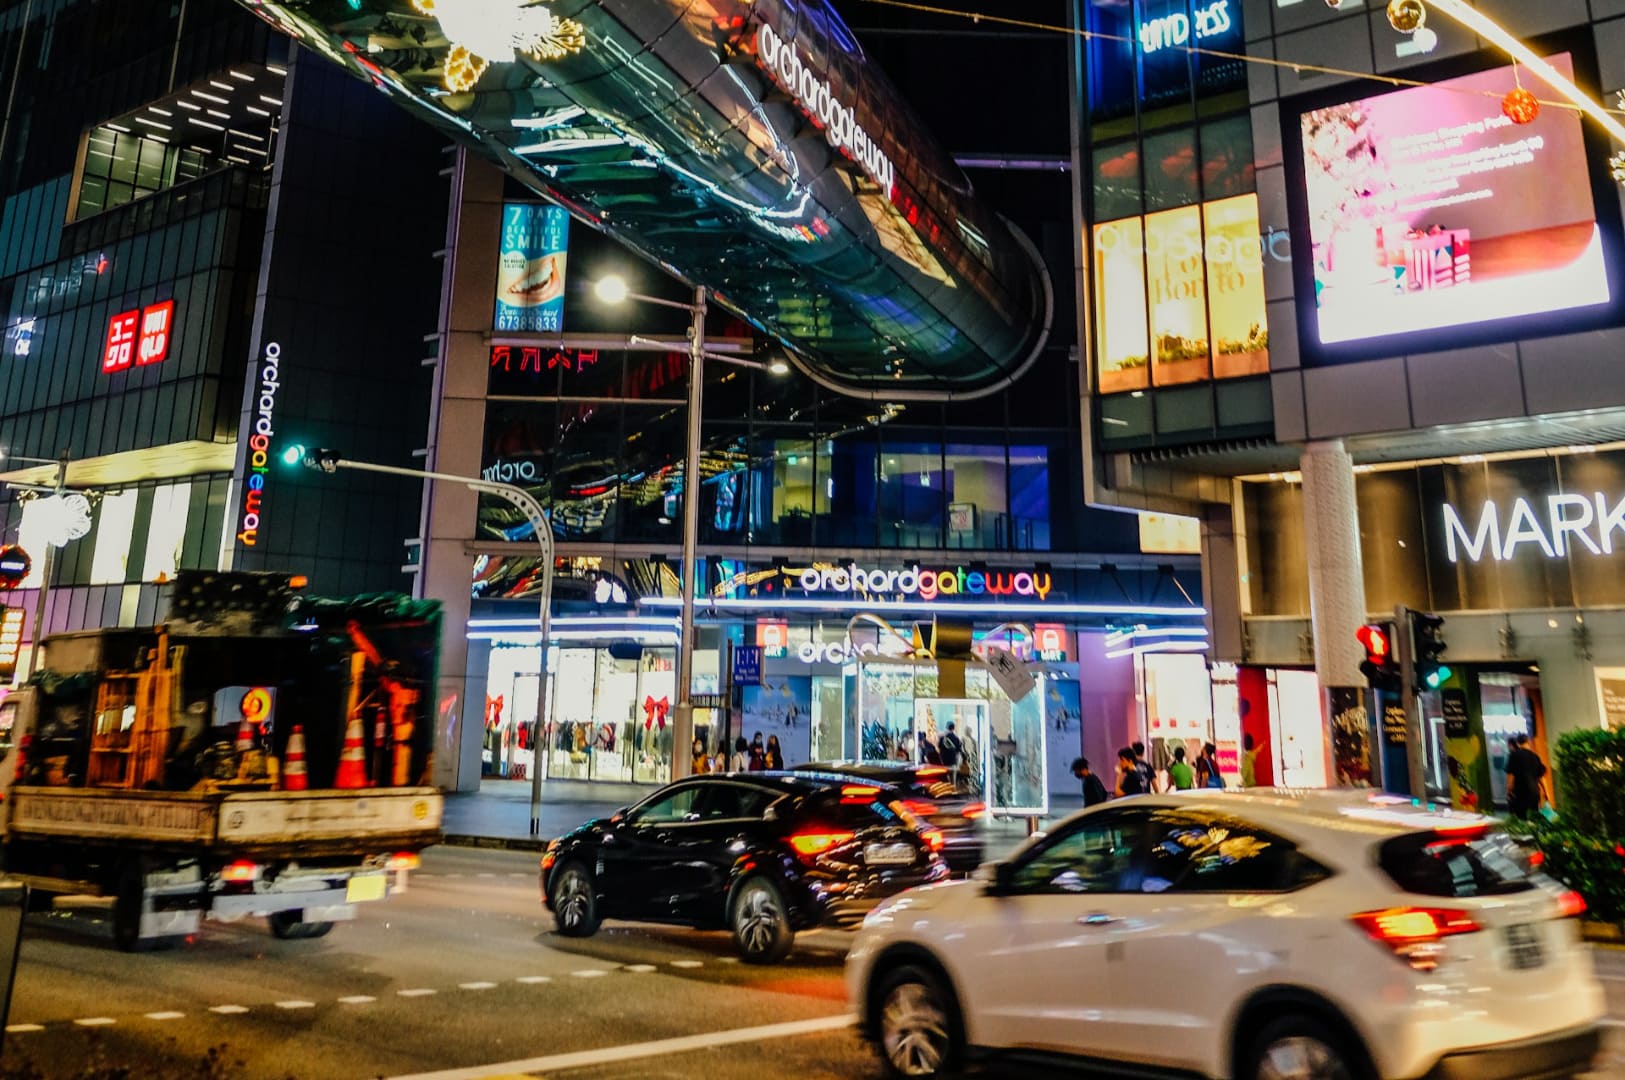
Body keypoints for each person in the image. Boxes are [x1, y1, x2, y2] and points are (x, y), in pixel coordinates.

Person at [1505, 734, 1549, 819]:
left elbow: (1511, 776)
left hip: (1520, 794)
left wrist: (1509, 791)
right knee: (1533, 818)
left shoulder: (1514, 755)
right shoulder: (1536, 757)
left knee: (1521, 819)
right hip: (1534, 793)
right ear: (1528, 742)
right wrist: (1546, 792)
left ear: (1518, 744)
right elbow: (1541, 777)